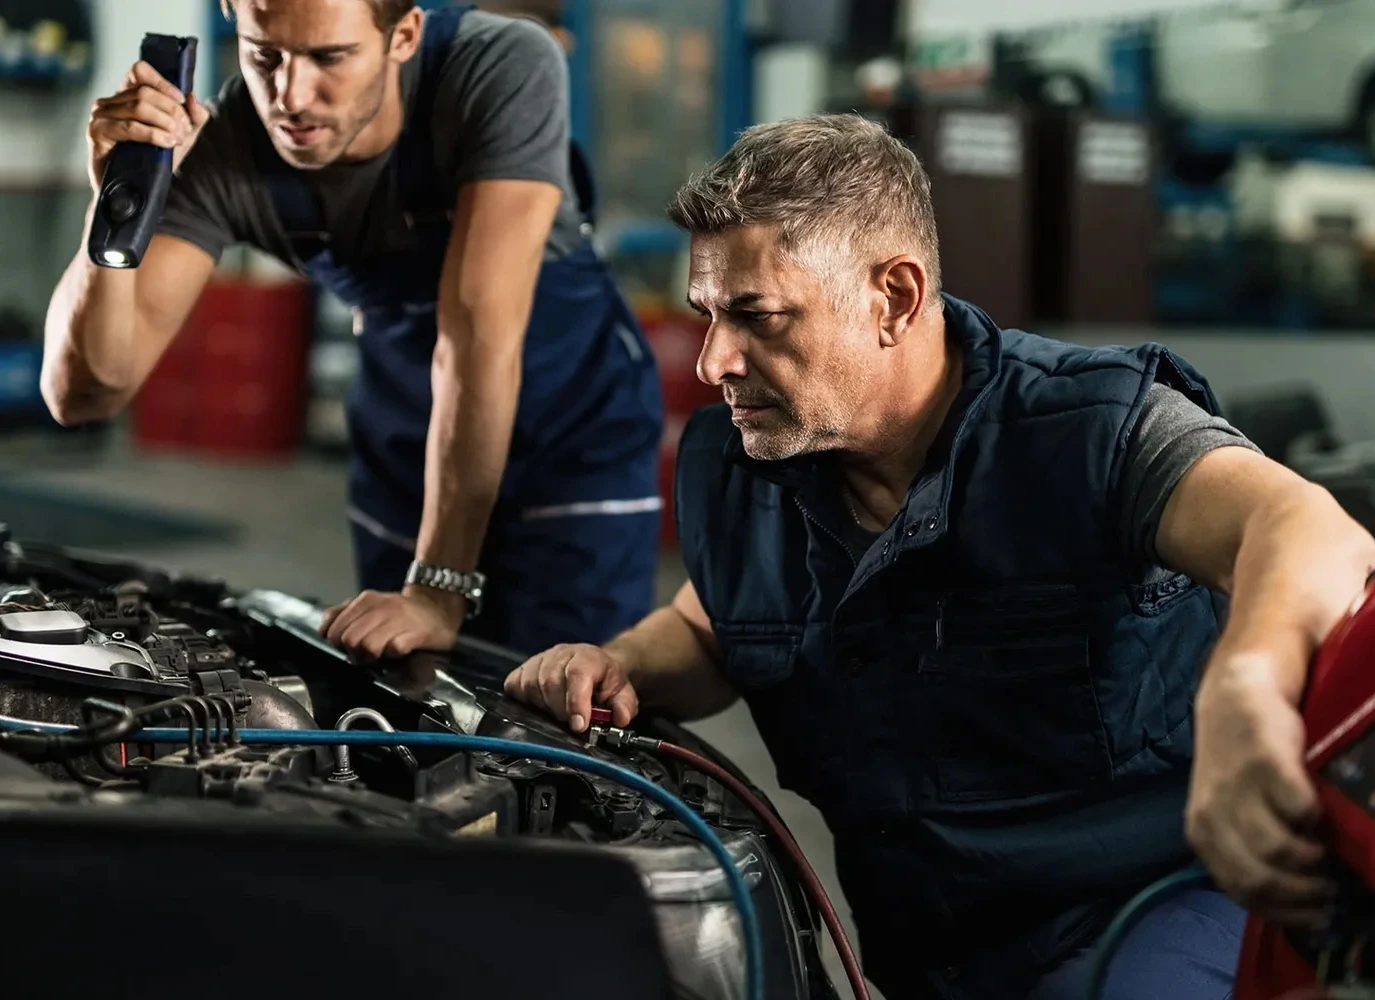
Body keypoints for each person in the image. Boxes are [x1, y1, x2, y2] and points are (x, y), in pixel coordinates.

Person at [504, 113, 1375, 999]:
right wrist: (616, 663)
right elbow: (713, 625)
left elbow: (1306, 527)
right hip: (929, 955)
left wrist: (1246, 690)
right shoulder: (744, 462)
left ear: (893, 297)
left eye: (757, 316)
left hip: (1144, 915)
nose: (714, 360)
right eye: (709, 315)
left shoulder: (1087, 432)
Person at [41, 0, 664, 658]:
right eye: (265, 56)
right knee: (411, 708)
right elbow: (85, 393)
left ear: (403, 36)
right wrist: (114, 202)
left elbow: (477, 336)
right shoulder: (226, 147)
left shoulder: (497, 65)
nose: (291, 97)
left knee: (567, 702)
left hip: (570, 438)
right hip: (409, 439)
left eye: (328, 57)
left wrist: (436, 587)